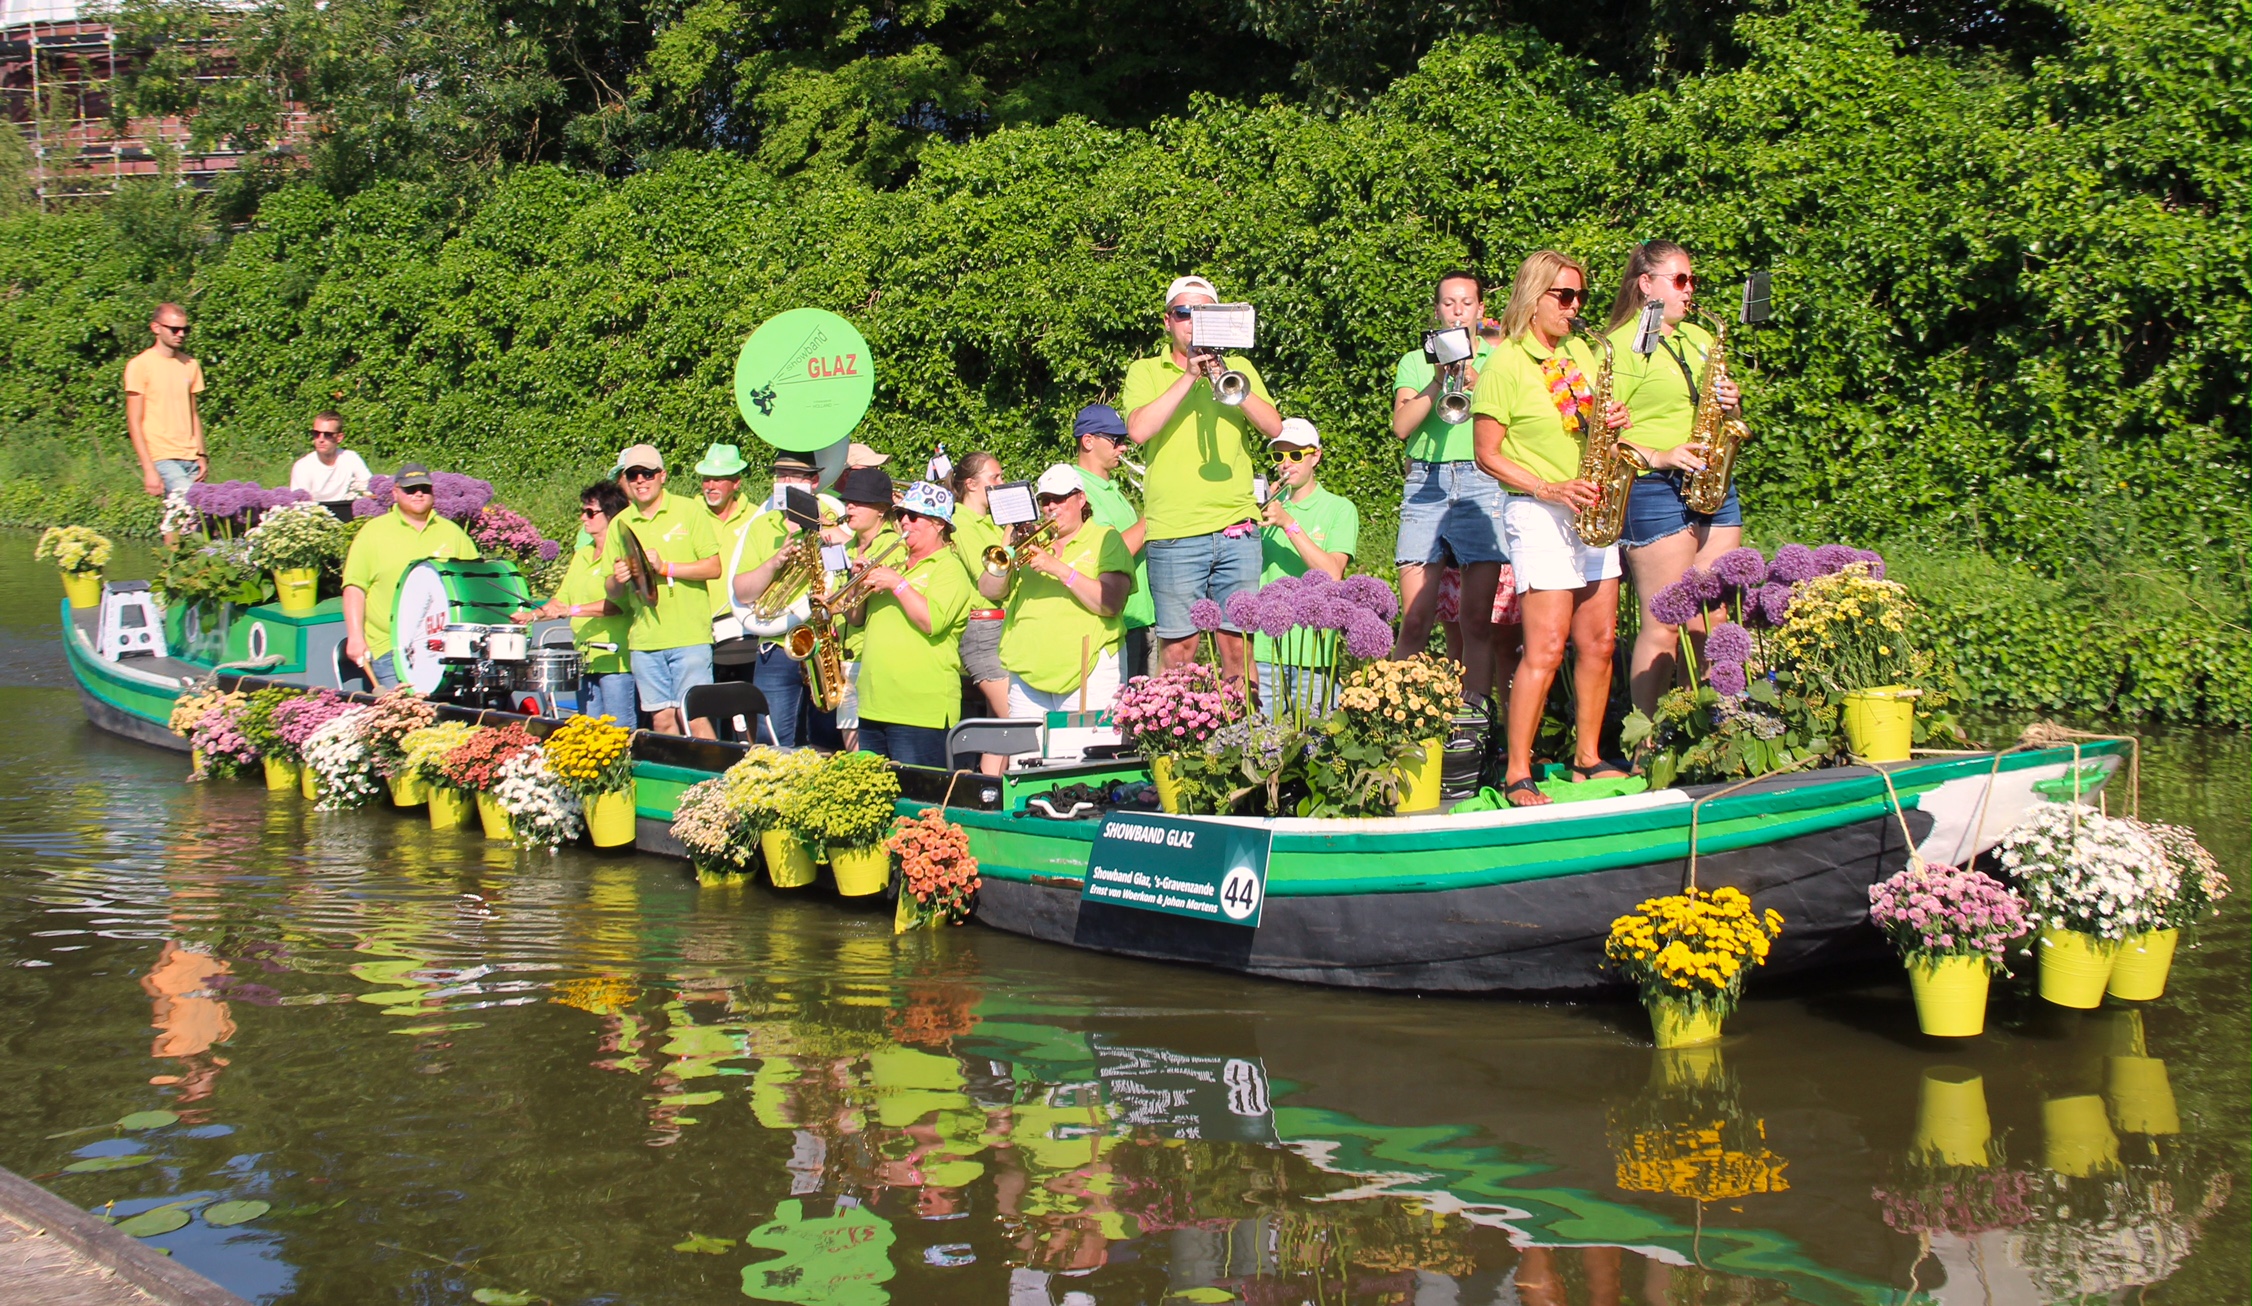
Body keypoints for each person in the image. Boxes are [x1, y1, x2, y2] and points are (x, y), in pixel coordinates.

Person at [1471, 251, 1686, 806]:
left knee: (1599, 641)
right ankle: (1517, 769)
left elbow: (1594, 424)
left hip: (1593, 505)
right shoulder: (1506, 362)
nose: (1574, 307)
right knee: (1544, 646)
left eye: (1580, 297)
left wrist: (1613, 424)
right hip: (1540, 510)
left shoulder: (1583, 352)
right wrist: (1548, 487)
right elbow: (1486, 455)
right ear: (1534, 296)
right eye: (1563, 296)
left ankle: (1587, 759)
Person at [1121, 274, 1284, 681]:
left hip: (1236, 526)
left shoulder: (1240, 368)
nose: (1192, 321)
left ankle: (1245, 740)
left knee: (1237, 647)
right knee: (1179, 650)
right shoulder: (1144, 370)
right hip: (1175, 529)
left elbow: (1274, 427)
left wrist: (1226, 377)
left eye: (1202, 313)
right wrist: (1191, 375)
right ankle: (1172, 742)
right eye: (1183, 312)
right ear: (1167, 321)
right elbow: (1139, 431)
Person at [1605, 240, 1745, 714]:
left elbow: (1722, 416)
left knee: (1714, 613)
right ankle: (1649, 736)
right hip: (1653, 487)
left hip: (1711, 481)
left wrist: (1732, 405)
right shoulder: (1622, 345)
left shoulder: (1702, 340)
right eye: (1680, 280)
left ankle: (1709, 724)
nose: (1690, 291)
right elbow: (1599, 432)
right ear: (1647, 285)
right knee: (1667, 619)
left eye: (1692, 281)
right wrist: (1661, 455)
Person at [1390, 270, 1510, 711]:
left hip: (1482, 480)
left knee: (1477, 619)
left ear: (1480, 310)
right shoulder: (1415, 360)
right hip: (1427, 483)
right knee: (1417, 618)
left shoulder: (1500, 360)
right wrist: (1439, 379)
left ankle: (1474, 722)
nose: (1457, 310)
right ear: (1436, 310)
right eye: (1448, 303)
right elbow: (1402, 426)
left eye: (1466, 303)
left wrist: (1478, 381)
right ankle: (1399, 719)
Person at [980, 463, 1135, 724]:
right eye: (1045, 500)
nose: (1051, 507)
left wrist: (1059, 569)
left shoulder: (1104, 538)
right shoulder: (1031, 543)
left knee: (1084, 759)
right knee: (1025, 762)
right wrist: (1009, 544)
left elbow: (1110, 603)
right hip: (1026, 672)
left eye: (1059, 499)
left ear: (1081, 499)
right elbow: (988, 589)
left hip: (1089, 671)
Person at [729, 451, 850, 747]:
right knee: (771, 740)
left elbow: (854, 559)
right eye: (780, 476)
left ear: (814, 482)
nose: (784, 482)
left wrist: (823, 529)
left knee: (827, 739)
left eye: (793, 476)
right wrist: (774, 562)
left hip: (824, 641)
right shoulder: (762, 525)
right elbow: (742, 591)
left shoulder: (836, 519)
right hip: (776, 644)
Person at [604, 444, 723, 738]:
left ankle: (711, 781)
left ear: (662, 476)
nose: (641, 481)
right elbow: (611, 592)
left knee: (695, 718)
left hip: (690, 637)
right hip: (645, 640)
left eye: (647, 473)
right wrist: (618, 578)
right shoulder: (620, 522)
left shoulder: (688, 509)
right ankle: (674, 782)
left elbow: (713, 567)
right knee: (662, 721)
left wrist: (666, 567)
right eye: (633, 476)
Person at [851, 482, 973, 768]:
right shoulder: (892, 565)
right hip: (873, 703)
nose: (904, 521)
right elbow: (855, 619)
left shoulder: (949, 569)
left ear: (939, 524)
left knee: (917, 803)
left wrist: (897, 584)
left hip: (919, 709)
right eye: (902, 514)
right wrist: (856, 585)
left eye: (914, 516)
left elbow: (931, 621)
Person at [341, 462, 479, 688]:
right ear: (395, 493)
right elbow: (354, 587)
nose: (418, 493)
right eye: (410, 489)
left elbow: (474, 583)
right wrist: (355, 638)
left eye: (424, 489)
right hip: (389, 649)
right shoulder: (373, 533)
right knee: (405, 718)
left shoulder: (452, 533)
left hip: (445, 650)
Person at [1255, 418, 1358, 716]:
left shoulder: (1340, 509)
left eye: (1296, 455)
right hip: (1265, 650)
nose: (1286, 464)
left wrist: (1288, 523)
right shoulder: (1263, 509)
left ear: (1317, 457)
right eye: (1279, 456)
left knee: (1315, 749)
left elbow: (1332, 572)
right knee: (1260, 746)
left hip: (1313, 653)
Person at [513, 480, 635, 723]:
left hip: (616, 661)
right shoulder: (583, 554)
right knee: (587, 730)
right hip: (585, 659)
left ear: (610, 515)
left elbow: (617, 605)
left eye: (590, 512)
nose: (583, 518)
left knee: (619, 731)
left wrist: (572, 610)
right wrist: (531, 616)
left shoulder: (623, 553)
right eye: (582, 511)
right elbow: (562, 599)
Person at [1070, 404, 1156, 682]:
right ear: (1088, 441)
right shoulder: (1079, 490)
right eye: (1116, 440)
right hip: (1119, 621)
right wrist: (1155, 514)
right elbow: (1112, 550)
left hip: (1141, 618)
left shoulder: (1109, 488)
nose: (1124, 448)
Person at [948, 452, 1012, 766]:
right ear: (971, 484)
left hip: (1001, 626)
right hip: (983, 629)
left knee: (999, 729)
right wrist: (1012, 531)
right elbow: (987, 578)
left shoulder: (988, 520)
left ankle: (988, 794)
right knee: (1016, 718)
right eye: (994, 478)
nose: (1001, 484)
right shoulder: (960, 521)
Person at [124, 302, 206, 544]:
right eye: (174, 329)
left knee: (181, 516)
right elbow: (134, 421)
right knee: (192, 506)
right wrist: (149, 469)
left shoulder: (191, 365)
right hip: (161, 454)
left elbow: (193, 414)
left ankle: (177, 573)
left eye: (185, 330)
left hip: (190, 455)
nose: (180, 334)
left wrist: (201, 454)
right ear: (156, 328)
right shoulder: (140, 365)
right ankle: (180, 569)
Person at [695, 443, 763, 689]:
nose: (710, 486)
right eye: (706, 479)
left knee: (742, 703)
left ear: (736, 482)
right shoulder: (689, 514)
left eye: (719, 479)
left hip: (741, 627)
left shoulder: (757, 516)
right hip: (696, 628)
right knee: (702, 707)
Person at [288, 412, 372, 510]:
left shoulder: (351, 458)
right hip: (315, 514)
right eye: (316, 434)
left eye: (328, 435)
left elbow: (369, 487)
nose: (321, 439)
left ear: (339, 437)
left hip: (347, 511)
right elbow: (299, 505)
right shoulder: (303, 467)